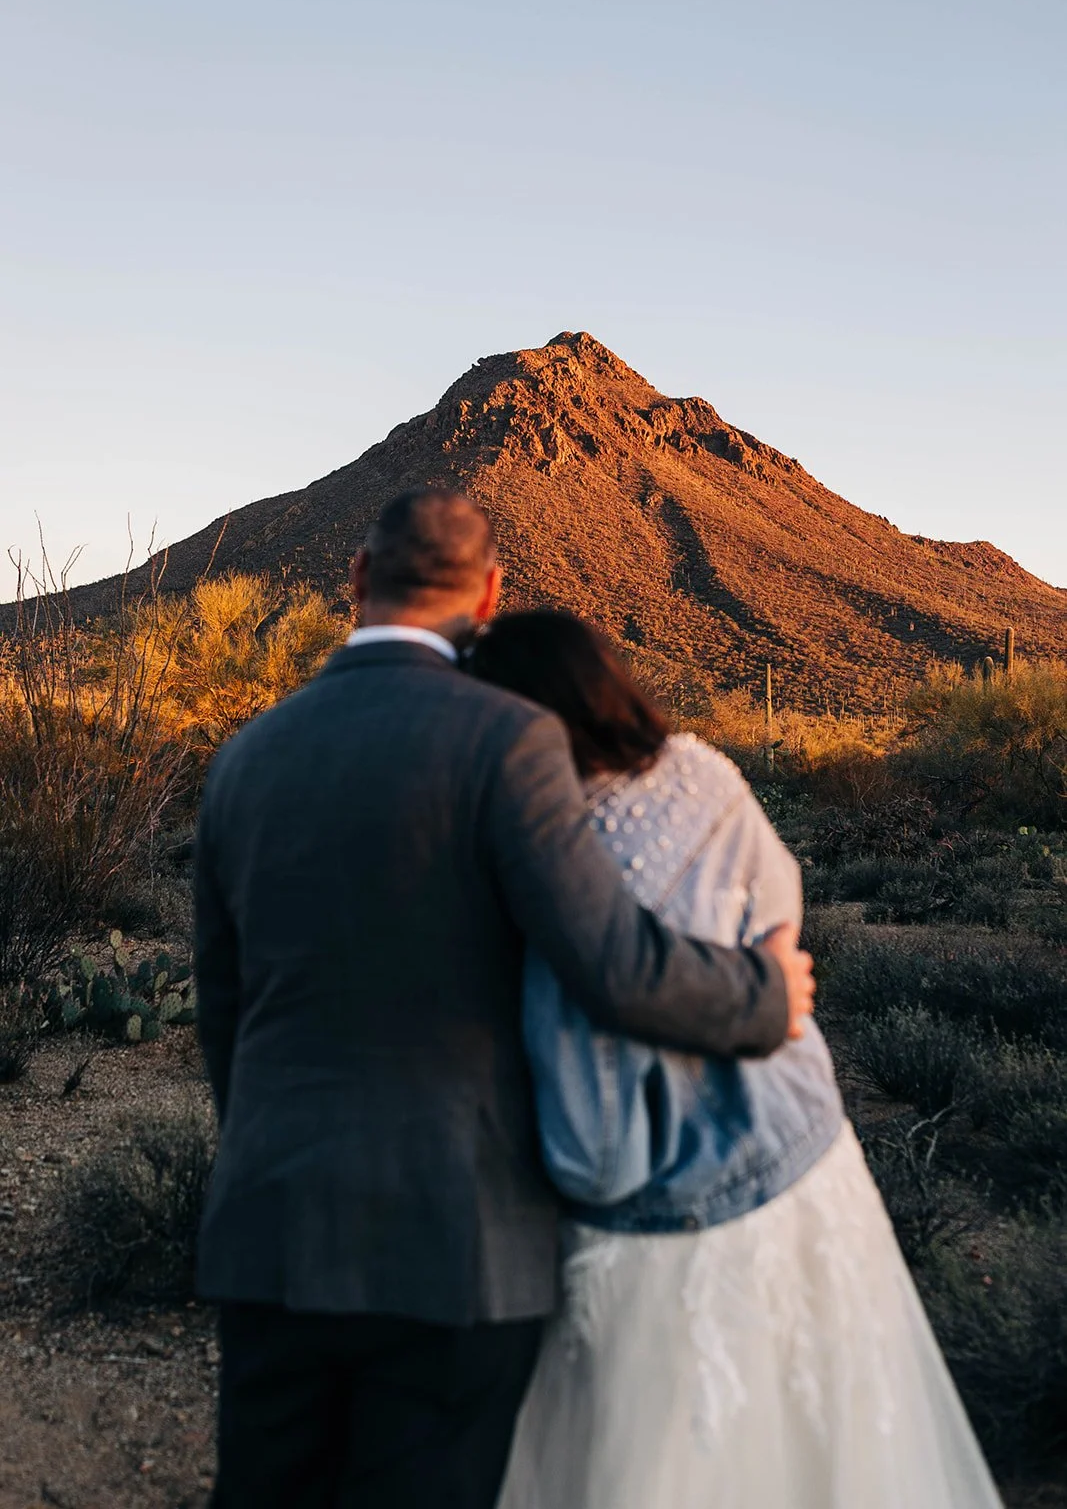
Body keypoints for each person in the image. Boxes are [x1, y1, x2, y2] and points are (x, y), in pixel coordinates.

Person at [194, 489, 815, 1509]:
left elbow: (224, 1010)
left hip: (273, 1220)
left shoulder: (245, 756)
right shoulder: (508, 739)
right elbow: (611, 962)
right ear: (490, 594)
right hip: (457, 1239)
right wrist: (761, 993)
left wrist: (269, 1153)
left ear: (355, 578)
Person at [468, 609, 1004, 1509]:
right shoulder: (704, 771)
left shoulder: (544, 853)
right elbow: (781, 926)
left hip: (648, 1196)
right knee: (837, 1430)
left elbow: (564, 1084)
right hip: (795, 1146)